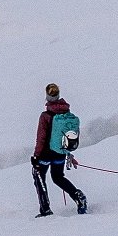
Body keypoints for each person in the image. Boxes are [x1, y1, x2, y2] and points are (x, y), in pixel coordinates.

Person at [32, 84, 89, 215]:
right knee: (58, 177)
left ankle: (45, 209)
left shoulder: (45, 116)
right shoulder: (66, 114)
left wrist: (36, 156)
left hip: (45, 154)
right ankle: (77, 196)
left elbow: (41, 138)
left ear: (47, 97)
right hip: (60, 153)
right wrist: (68, 153)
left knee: (38, 176)